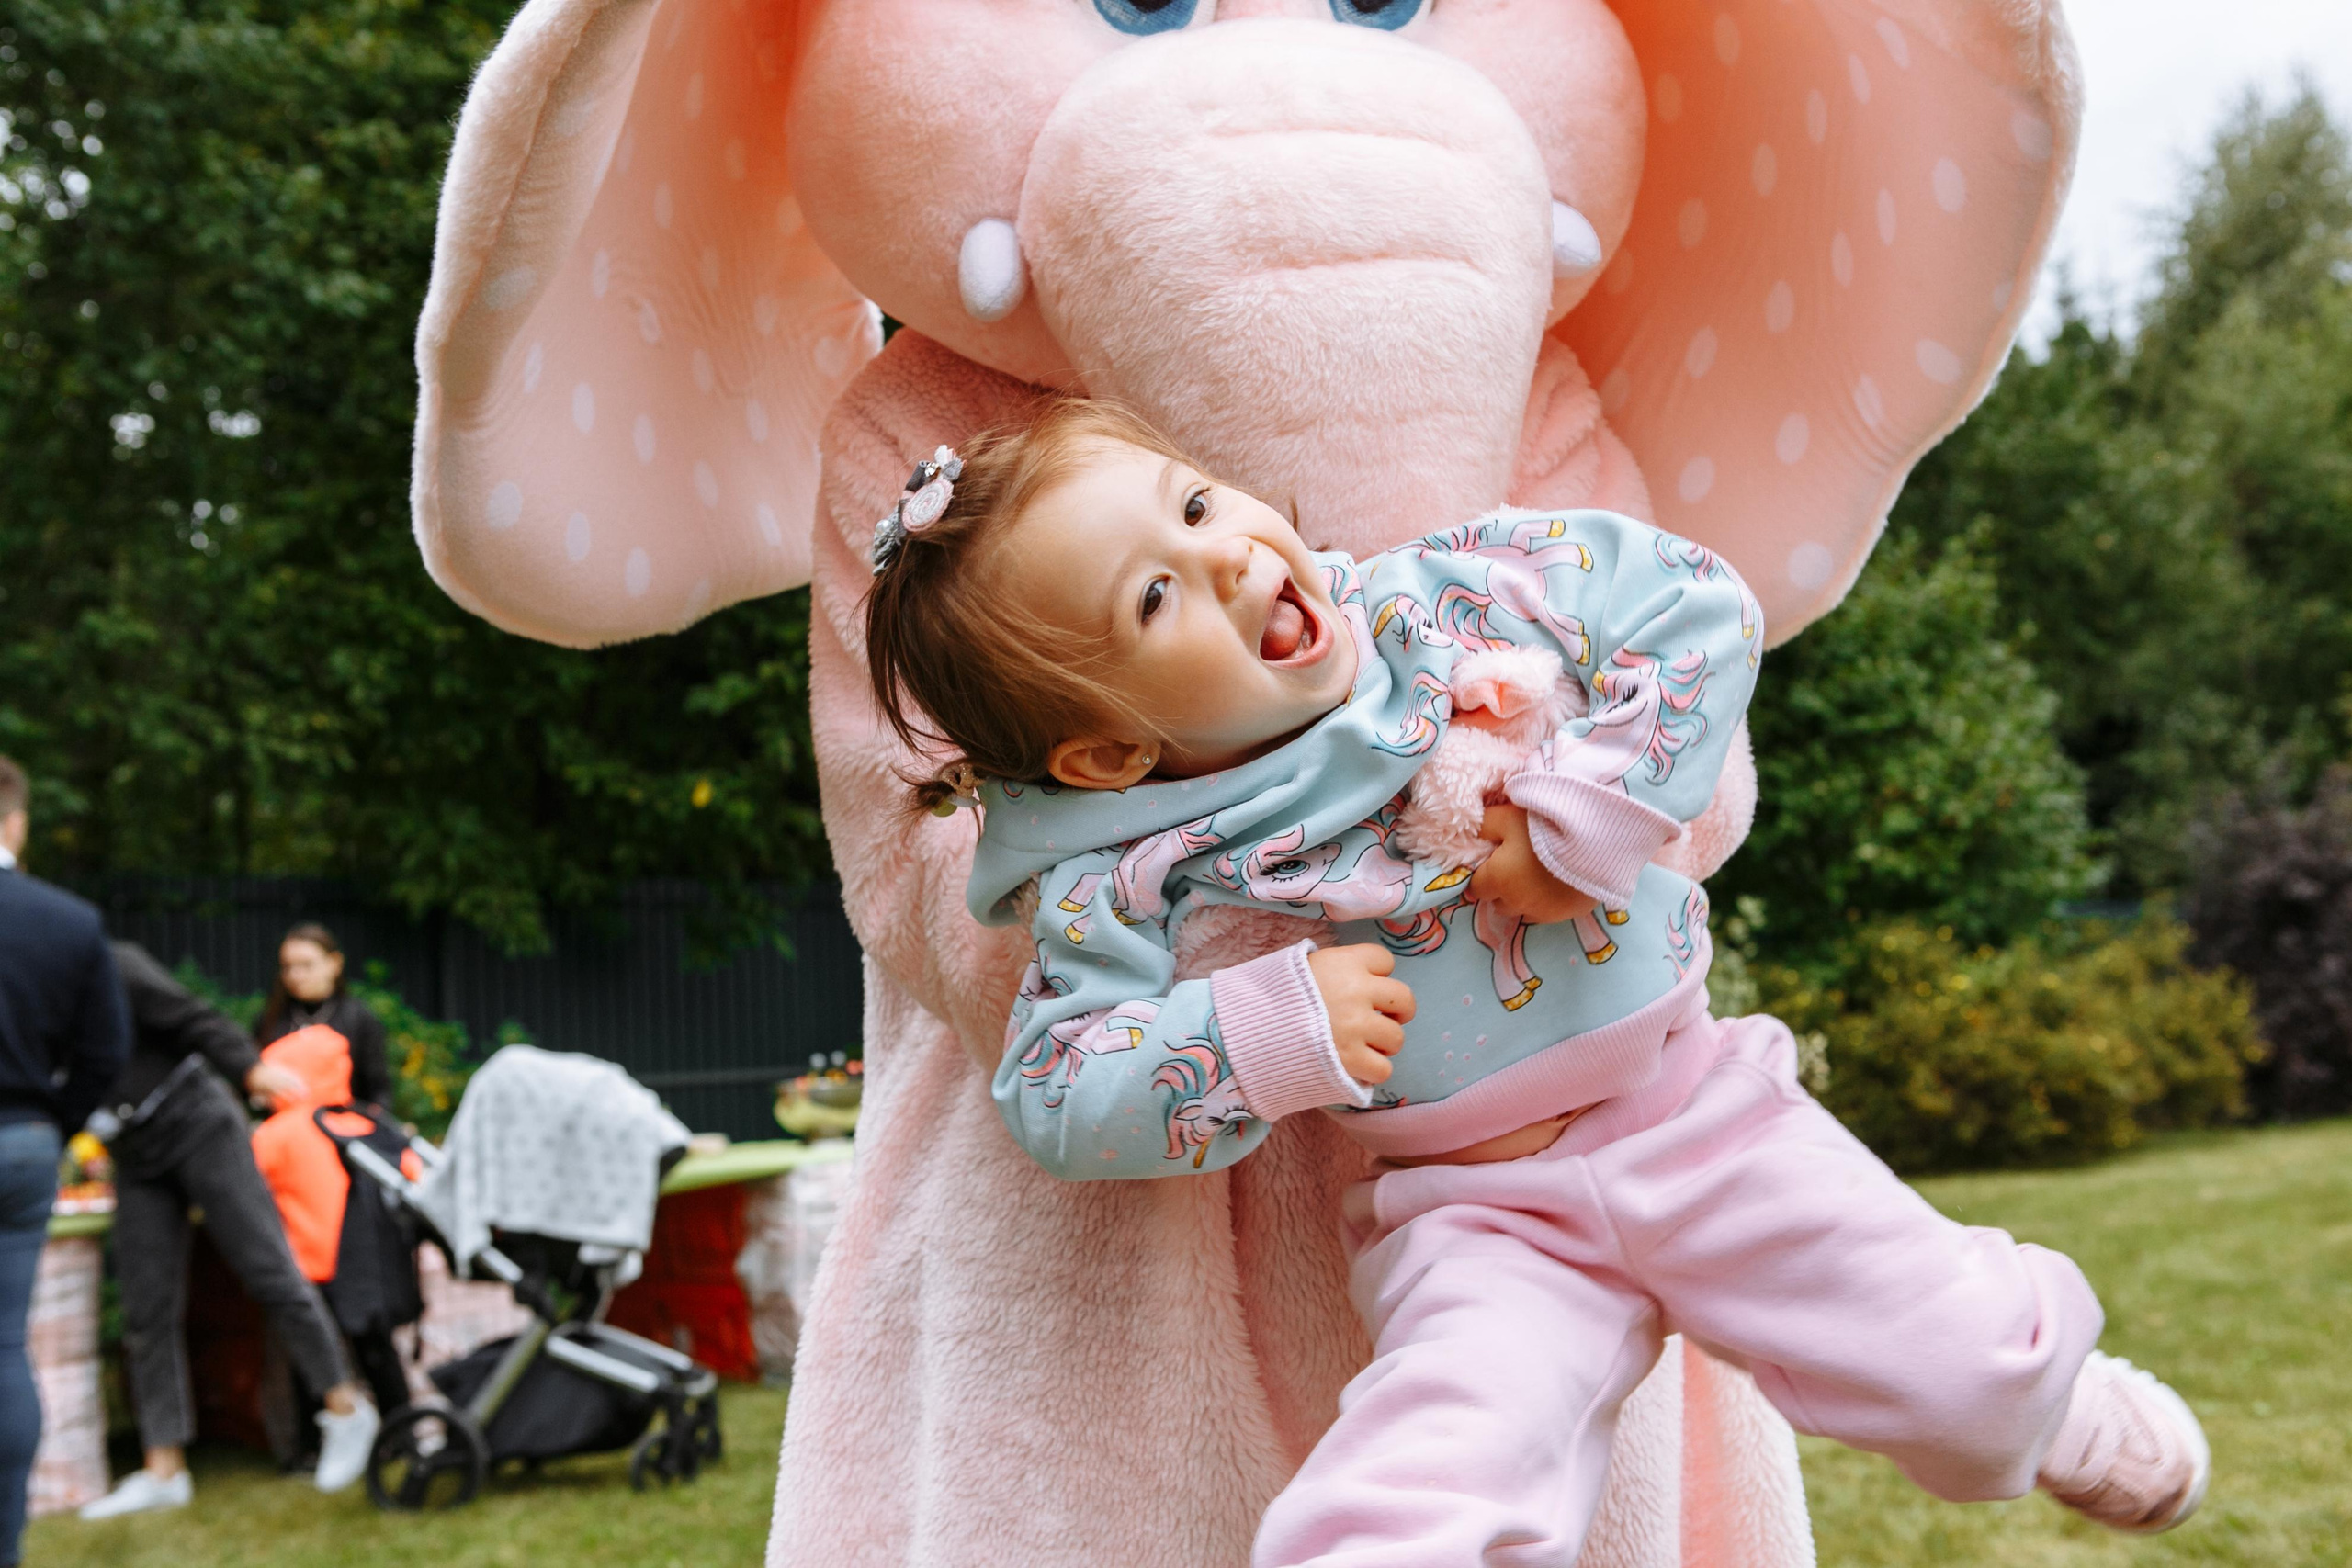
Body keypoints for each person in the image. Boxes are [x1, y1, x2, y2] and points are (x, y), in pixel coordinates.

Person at [861, 401, 2211, 1565]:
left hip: (1696, 1113)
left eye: (1198, 502)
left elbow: (1695, 600)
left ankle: (2061, 1400)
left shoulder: (1439, 596)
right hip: (1473, 1210)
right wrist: (1266, 1029)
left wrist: (1591, 808)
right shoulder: (1128, 861)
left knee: (1957, 1357)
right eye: (1151, 595)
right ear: (1102, 755)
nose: (1222, 557)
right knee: (1432, 1469)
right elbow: (1054, 1080)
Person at [79, 945, 382, 1517]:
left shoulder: (105, 961)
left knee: (269, 1270)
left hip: (197, 1121)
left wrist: (250, 1068)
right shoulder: (26, 998)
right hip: (135, 1152)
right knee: (147, 1310)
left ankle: (346, 1409)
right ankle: (164, 1469)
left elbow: (194, 1017)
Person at [0, 758, 130, 1563]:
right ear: (15, 820)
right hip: (22, 1145)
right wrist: (52, 1121)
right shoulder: (68, 920)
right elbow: (106, 1052)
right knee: (3, 1348)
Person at [254, 924, 390, 1108]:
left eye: (306, 965)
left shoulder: (359, 1018)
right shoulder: (270, 1017)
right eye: (287, 967)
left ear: (335, 963)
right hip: (281, 1128)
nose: (296, 975)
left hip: (342, 1126)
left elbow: (378, 1091)